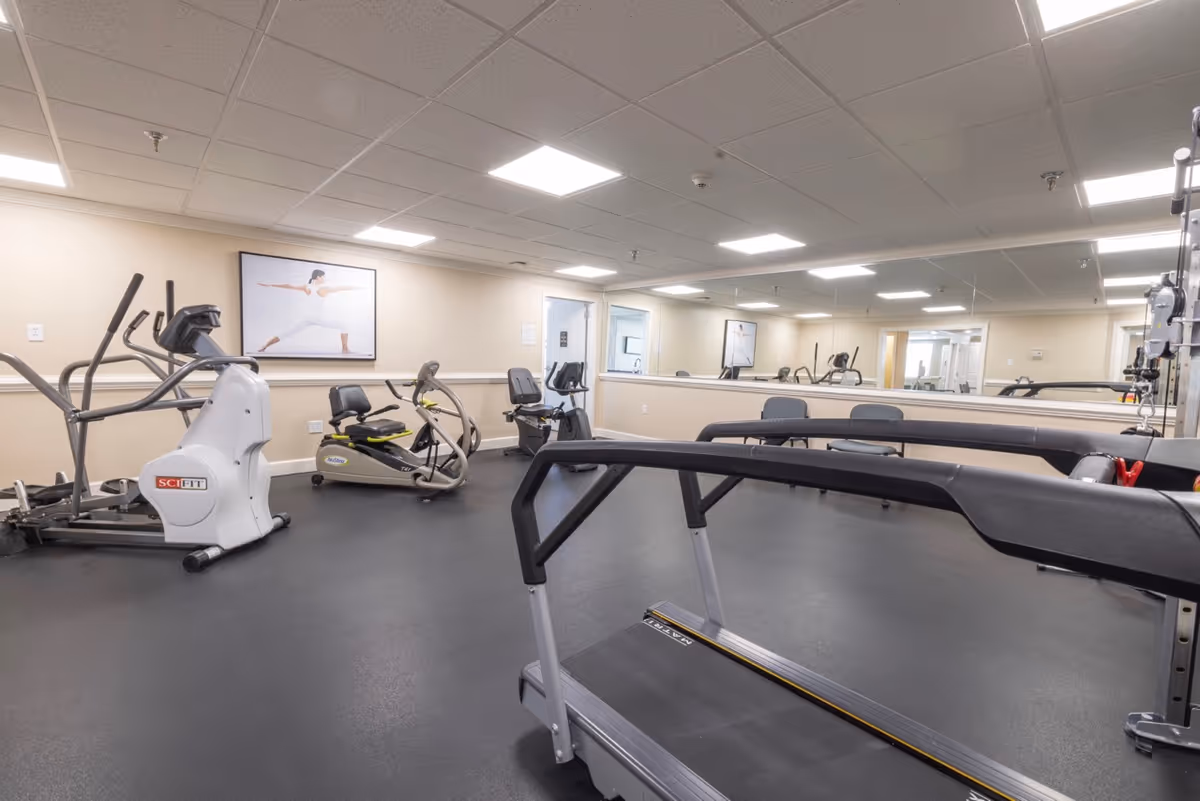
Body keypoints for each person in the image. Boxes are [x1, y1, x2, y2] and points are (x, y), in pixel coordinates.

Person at [256, 269, 364, 354]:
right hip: (319, 318)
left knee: (286, 332)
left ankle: (264, 346)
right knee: (343, 325)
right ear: (318, 277)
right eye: (323, 276)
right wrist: (359, 287)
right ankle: (345, 349)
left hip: (307, 318)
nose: (324, 278)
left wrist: (270, 284)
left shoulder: (307, 286)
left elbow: (289, 285)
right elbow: (342, 287)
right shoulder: (323, 288)